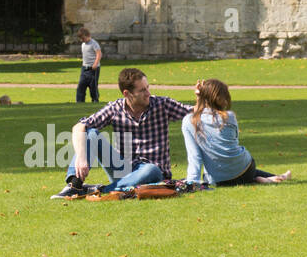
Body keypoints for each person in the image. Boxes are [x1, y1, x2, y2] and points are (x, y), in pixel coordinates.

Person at [51, 67, 193, 198]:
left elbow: (194, 113)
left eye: (148, 88)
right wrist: (82, 158)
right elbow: (79, 127)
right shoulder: (115, 109)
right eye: (142, 90)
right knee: (91, 133)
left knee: (152, 170)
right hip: (123, 170)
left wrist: (204, 97)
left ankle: (102, 190)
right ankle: (74, 186)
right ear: (127, 93)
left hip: (152, 174)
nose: (148, 93)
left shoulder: (162, 105)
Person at [182, 78, 291, 185]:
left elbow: (194, 156)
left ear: (203, 97)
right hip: (245, 169)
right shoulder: (229, 117)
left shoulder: (189, 121)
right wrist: (201, 98)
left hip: (217, 179)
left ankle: (270, 178)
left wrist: (193, 181)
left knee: (228, 172)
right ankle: (274, 177)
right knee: (243, 170)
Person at [75, 27, 101, 103]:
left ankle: (95, 100)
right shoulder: (83, 44)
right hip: (84, 68)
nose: (82, 40)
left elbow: (99, 54)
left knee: (93, 86)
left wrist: (95, 63)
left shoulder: (94, 43)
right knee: (81, 85)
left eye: (83, 38)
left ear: (88, 35)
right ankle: (80, 101)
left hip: (93, 68)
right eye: (81, 39)